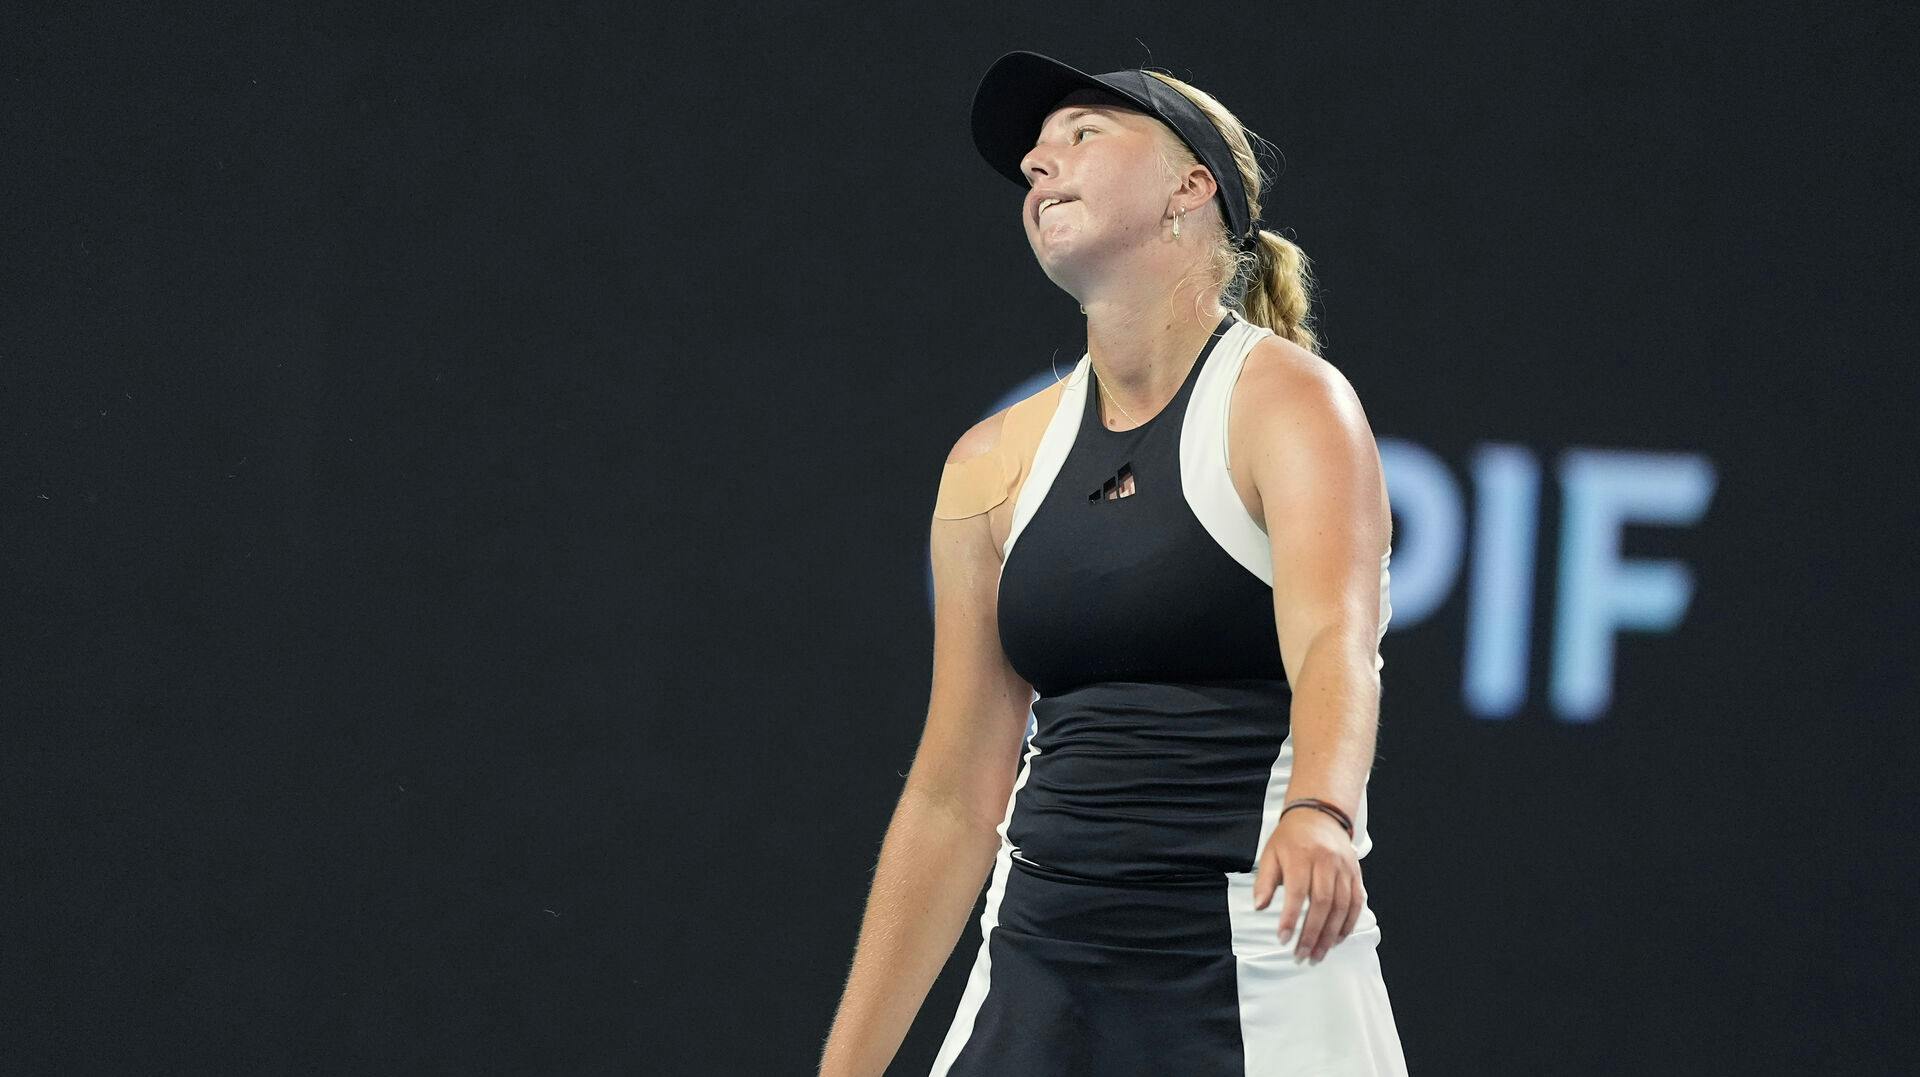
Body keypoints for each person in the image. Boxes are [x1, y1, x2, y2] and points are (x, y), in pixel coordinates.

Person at [821, 51, 1409, 1076]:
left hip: (1256, 970)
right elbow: (954, 795)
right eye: (1033, 160)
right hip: (1036, 976)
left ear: (1193, 190)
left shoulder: (1291, 405)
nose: (1041, 165)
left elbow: (1335, 639)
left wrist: (1322, 808)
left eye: (1082, 135)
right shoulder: (989, 465)